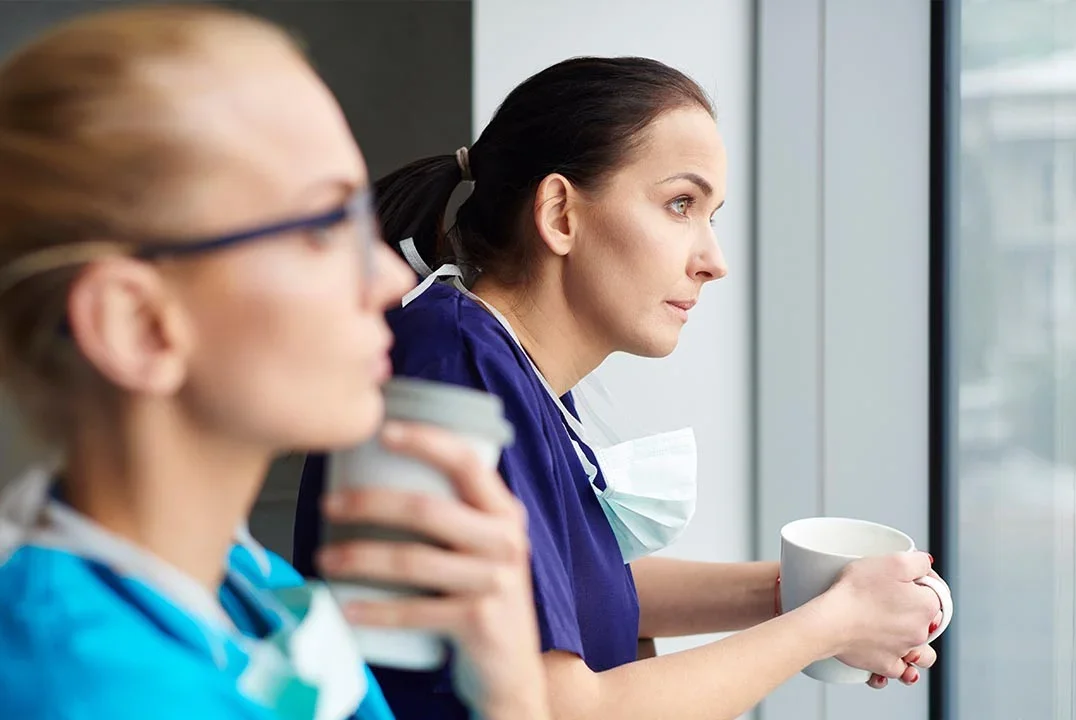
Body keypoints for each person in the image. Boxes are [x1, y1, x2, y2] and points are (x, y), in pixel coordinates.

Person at [294, 57, 946, 720]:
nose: (712, 261)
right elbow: (564, 707)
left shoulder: (505, 363)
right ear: (559, 215)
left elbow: (572, 592)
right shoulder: (456, 362)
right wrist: (832, 622)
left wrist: (805, 593)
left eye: (711, 215)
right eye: (680, 205)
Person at [0, 6, 550, 720]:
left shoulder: (247, 585)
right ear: (136, 326)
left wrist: (507, 686)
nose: (388, 278)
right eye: (324, 226)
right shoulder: (90, 692)